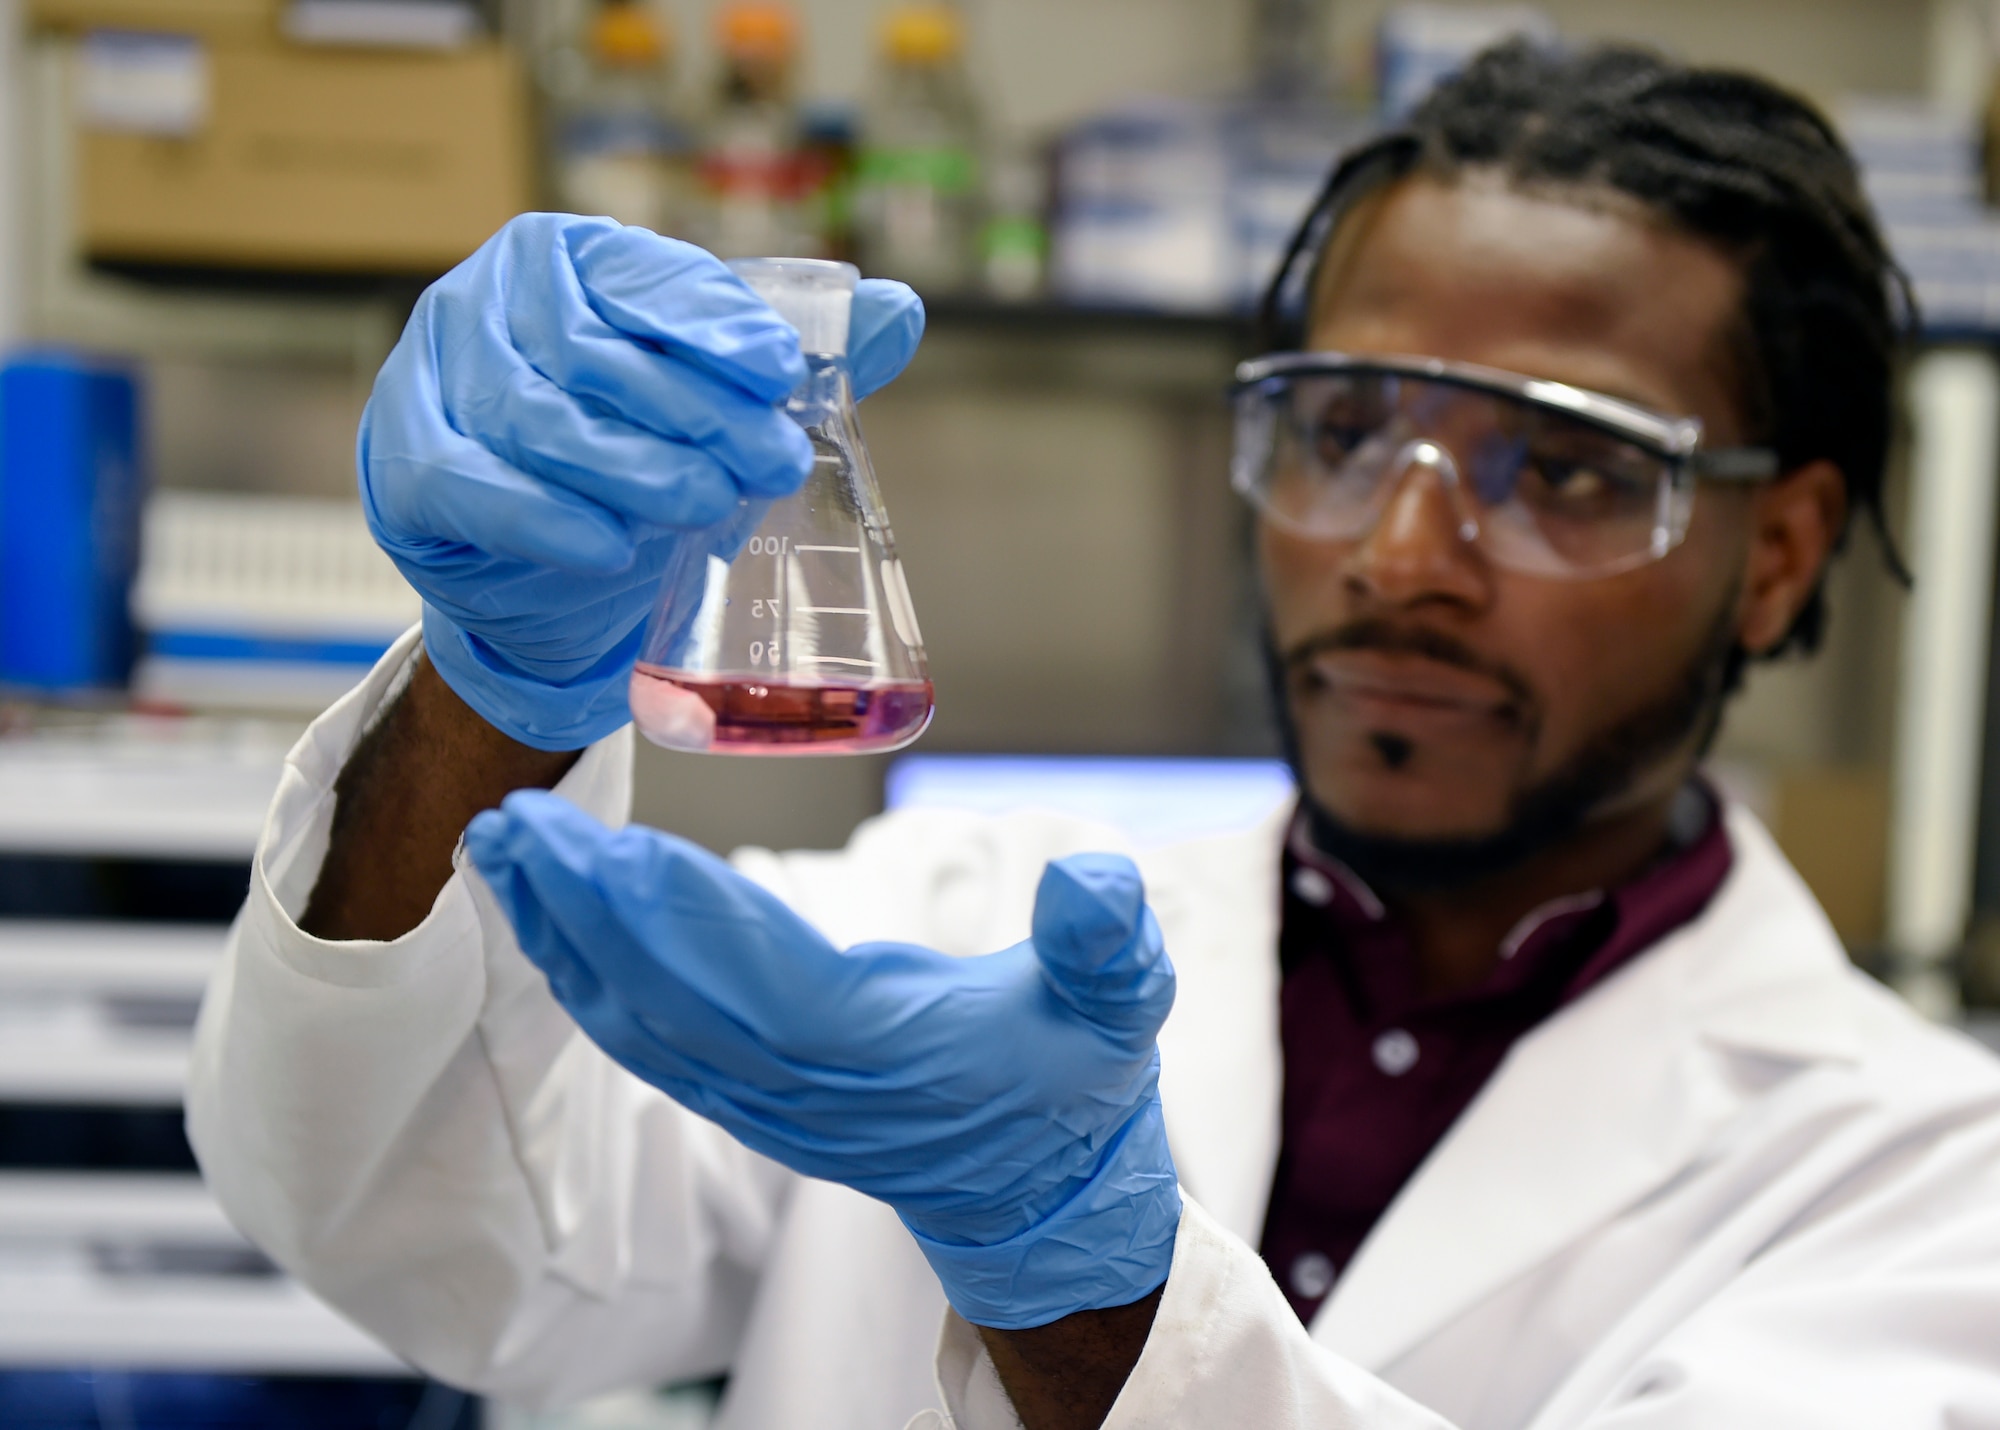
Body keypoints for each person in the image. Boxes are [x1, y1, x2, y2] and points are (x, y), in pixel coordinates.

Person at [188, 42, 2000, 1430]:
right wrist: (494, 685)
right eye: (1347, 427)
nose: (1397, 552)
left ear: (1777, 554)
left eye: (1575, 471)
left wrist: (1080, 1278)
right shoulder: (949, 914)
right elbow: (430, 1228)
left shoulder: (1931, 1184)